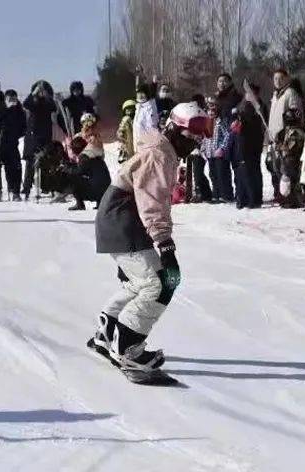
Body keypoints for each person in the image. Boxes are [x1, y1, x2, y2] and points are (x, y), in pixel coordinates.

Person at [91, 102, 209, 372]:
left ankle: (107, 331)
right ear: (175, 130)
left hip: (122, 219)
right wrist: (165, 246)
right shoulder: (160, 155)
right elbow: (152, 202)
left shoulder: (162, 151)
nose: (194, 145)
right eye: (191, 138)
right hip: (123, 220)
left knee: (142, 282)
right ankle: (128, 347)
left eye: (198, 139)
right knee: (161, 283)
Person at [267, 69, 304, 201]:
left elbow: (296, 115)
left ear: (286, 78)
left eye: (281, 78)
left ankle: (292, 196)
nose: (278, 81)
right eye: (275, 78)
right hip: (274, 137)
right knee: (275, 167)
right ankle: (281, 194)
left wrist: (288, 132)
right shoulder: (275, 95)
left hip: (287, 137)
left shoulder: (290, 93)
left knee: (287, 168)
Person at [63, 114, 111, 210]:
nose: (87, 125)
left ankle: (80, 203)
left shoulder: (91, 143)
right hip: (105, 186)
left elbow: (78, 170)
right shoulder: (93, 138)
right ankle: (100, 201)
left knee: (73, 177)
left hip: (96, 187)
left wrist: (66, 168)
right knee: (96, 174)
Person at [236, 81, 268, 208]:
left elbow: (258, 124)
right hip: (242, 141)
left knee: (252, 170)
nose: (249, 95)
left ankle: (254, 198)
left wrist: (243, 120)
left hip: (253, 142)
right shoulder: (243, 104)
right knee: (244, 170)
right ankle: (244, 197)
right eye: (248, 93)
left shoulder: (259, 106)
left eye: (252, 93)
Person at [22, 80, 57, 199]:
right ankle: (26, 188)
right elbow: (26, 103)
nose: (41, 93)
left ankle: (46, 187)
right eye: (39, 91)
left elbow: (54, 107)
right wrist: (34, 93)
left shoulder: (48, 103)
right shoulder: (33, 102)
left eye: (43, 91)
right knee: (30, 164)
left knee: (46, 162)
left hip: (45, 136)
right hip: (32, 137)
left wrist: (47, 96)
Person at [201, 98, 233, 203]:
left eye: (213, 111)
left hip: (219, 153)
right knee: (213, 174)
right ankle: (216, 194)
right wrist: (203, 149)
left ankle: (225, 195)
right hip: (210, 153)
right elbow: (204, 138)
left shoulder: (220, 122)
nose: (211, 112)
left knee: (221, 174)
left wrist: (222, 148)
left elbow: (227, 135)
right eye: (209, 110)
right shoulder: (206, 123)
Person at [0, 90, 27, 200]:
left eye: (14, 99)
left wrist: (18, 133)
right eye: (10, 99)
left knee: (17, 167)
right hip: (2, 144)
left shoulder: (20, 111)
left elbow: (23, 126)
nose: (12, 101)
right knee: (8, 168)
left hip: (14, 143)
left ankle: (16, 191)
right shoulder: (2, 109)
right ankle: (11, 187)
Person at [276, 108, 305, 208]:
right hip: (285, 160)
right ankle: (285, 198)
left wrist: (283, 147)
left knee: (293, 180)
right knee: (285, 179)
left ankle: (294, 200)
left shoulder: (298, 132)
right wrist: (278, 144)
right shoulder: (284, 131)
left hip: (294, 159)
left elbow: (292, 147)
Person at [133, 84, 159, 151]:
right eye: (138, 93)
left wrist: (145, 143)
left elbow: (152, 128)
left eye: (142, 93)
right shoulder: (139, 107)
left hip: (146, 146)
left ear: (147, 94)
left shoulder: (150, 109)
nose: (140, 95)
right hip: (138, 144)